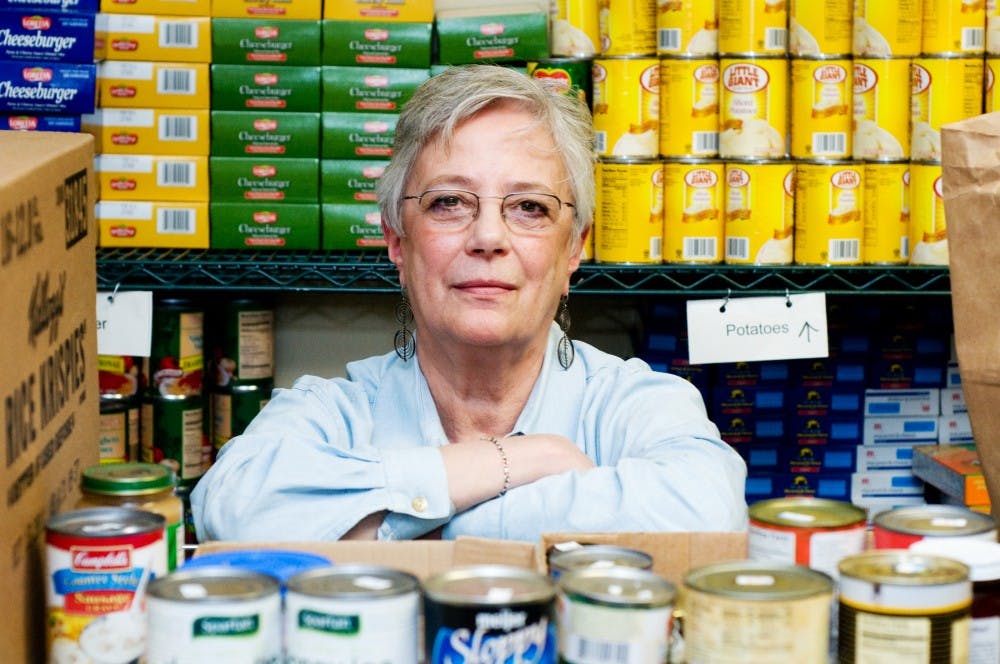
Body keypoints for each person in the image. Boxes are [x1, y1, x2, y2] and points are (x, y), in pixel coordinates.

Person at [190, 64, 748, 542]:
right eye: (449, 202)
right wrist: (523, 461)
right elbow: (232, 508)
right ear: (397, 241)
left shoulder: (635, 404)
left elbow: (711, 514)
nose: (488, 237)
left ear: (573, 249)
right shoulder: (333, 411)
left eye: (529, 206)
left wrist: (414, 525)